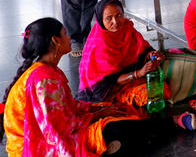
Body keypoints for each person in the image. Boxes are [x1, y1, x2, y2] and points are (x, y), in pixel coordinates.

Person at [1, 17, 143, 156]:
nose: (69, 38)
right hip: (38, 147)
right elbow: (56, 132)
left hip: (56, 134)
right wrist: (97, 115)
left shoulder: (48, 70)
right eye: (65, 34)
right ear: (55, 41)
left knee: (123, 115)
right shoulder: (44, 80)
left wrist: (99, 109)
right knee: (117, 130)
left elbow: (66, 109)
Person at [77, 0, 196, 131]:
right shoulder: (98, 45)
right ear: (100, 20)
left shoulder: (127, 29)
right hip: (111, 93)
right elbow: (104, 85)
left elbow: (143, 49)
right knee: (147, 95)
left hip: (134, 80)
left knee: (162, 88)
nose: (115, 22)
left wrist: (152, 55)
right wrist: (138, 73)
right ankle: (168, 123)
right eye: (108, 18)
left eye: (118, 16)